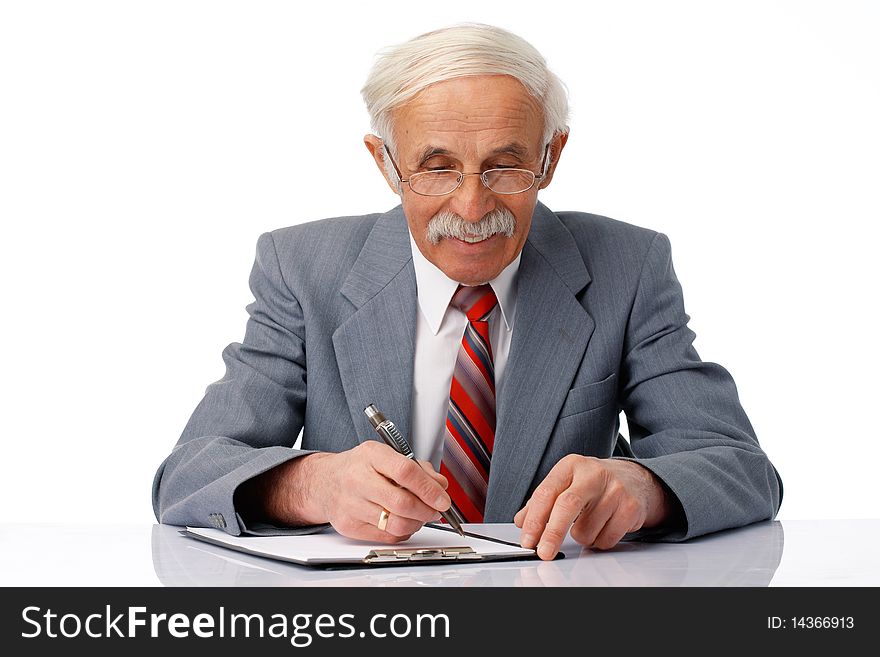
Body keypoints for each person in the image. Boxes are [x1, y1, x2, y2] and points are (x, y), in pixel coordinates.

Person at [152, 23, 781, 561]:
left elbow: (741, 469)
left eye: (506, 165)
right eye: (436, 166)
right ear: (386, 164)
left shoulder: (629, 266)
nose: (473, 205)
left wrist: (642, 489)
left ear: (551, 158)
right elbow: (185, 478)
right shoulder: (301, 266)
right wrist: (314, 483)